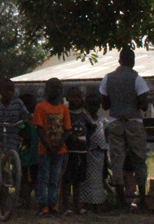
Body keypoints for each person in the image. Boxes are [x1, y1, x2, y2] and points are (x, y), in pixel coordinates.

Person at [100, 48, 150, 208]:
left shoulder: (108, 78)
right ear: (133, 61)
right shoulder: (137, 79)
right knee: (139, 158)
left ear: (119, 60)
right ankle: (142, 197)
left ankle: (120, 199)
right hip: (133, 121)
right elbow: (143, 105)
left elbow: (105, 103)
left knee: (117, 159)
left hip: (115, 120)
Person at [33, 78, 71, 214]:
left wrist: (58, 146)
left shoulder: (64, 109)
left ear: (60, 90)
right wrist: (48, 147)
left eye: (56, 88)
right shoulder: (41, 107)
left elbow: (67, 130)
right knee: (44, 177)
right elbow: (39, 129)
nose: (52, 91)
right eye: (50, 88)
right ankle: (43, 204)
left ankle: (53, 204)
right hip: (45, 150)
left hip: (60, 151)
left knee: (55, 178)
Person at [60, 87, 91, 214]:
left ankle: (77, 205)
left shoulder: (84, 113)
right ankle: (64, 206)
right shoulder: (65, 112)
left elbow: (92, 126)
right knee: (66, 180)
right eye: (73, 96)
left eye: (78, 97)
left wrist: (86, 141)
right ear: (67, 98)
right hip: (68, 151)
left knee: (78, 181)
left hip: (82, 152)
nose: (76, 99)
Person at [0, 77, 30, 153]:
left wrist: (27, 119)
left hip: (12, 138)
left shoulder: (18, 103)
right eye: (6, 90)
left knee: (13, 155)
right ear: (0, 91)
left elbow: (26, 115)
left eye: (11, 90)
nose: (9, 93)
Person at [79, 92, 109, 212]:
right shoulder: (84, 119)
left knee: (98, 181)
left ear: (99, 106)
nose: (93, 107)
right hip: (87, 154)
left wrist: (105, 156)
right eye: (90, 105)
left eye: (95, 105)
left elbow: (106, 138)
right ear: (85, 105)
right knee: (86, 180)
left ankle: (97, 203)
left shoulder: (103, 121)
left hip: (100, 155)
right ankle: (86, 203)